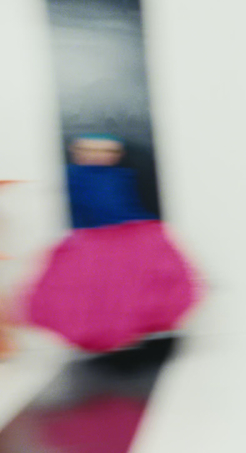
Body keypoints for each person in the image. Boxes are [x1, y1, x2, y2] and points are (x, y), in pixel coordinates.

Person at [23, 134, 199, 352]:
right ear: (77, 153)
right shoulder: (72, 176)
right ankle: (106, 330)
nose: (98, 156)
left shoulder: (121, 176)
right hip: (96, 239)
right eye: (90, 151)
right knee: (98, 288)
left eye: (107, 151)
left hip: (125, 235)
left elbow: (124, 205)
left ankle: (132, 325)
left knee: (131, 283)